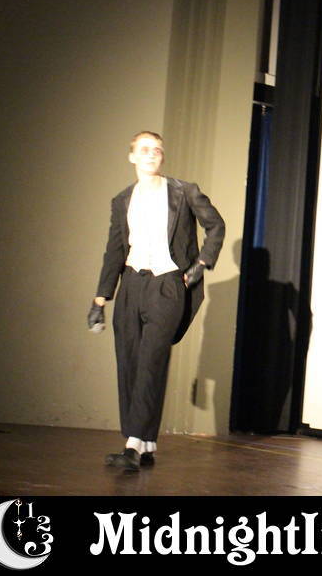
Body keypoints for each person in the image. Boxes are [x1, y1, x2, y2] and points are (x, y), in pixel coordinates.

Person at [87, 131, 225, 470]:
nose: (152, 154)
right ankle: (145, 443)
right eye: (145, 149)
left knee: (151, 361)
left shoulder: (183, 191)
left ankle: (132, 445)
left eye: (157, 150)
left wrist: (200, 265)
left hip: (167, 285)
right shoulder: (122, 200)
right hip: (131, 285)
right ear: (132, 156)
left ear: (162, 157)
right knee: (129, 363)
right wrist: (100, 299)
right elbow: (114, 250)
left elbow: (216, 226)